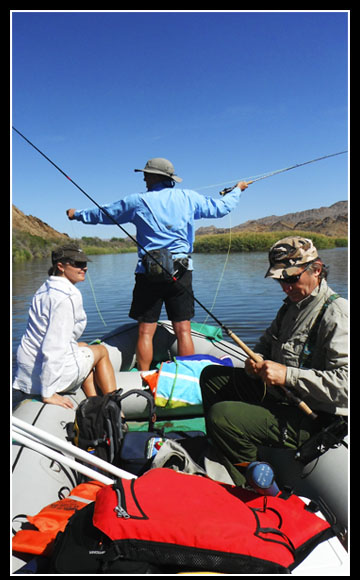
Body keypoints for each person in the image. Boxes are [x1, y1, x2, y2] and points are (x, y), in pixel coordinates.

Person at [66, 157, 249, 370]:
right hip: (181, 272)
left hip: (148, 272)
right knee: (183, 330)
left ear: (155, 176)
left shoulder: (137, 201)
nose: (143, 178)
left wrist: (76, 214)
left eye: (146, 174)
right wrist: (238, 190)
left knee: (145, 331)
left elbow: (104, 213)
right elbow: (222, 208)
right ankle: (187, 375)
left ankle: (143, 378)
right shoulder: (188, 197)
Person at [200, 236, 348, 486]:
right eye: (280, 279)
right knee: (211, 378)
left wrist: (287, 375)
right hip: (282, 396)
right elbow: (265, 345)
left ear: (317, 270)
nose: (285, 287)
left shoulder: (337, 314)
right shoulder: (291, 306)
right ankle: (226, 448)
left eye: (291, 278)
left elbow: (345, 387)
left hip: (317, 418)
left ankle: (254, 485)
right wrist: (255, 362)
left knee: (221, 415)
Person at [13, 245, 117, 409]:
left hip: (27, 374)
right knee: (101, 351)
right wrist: (48, 392)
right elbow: (54, 347)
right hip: (47, 380)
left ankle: (94, 404)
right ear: (60, 266)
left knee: (83, 347)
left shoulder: (44, 288)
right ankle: (115, 409)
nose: (84, 268)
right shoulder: (66, 297)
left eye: (84, 263)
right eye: (78, 264)